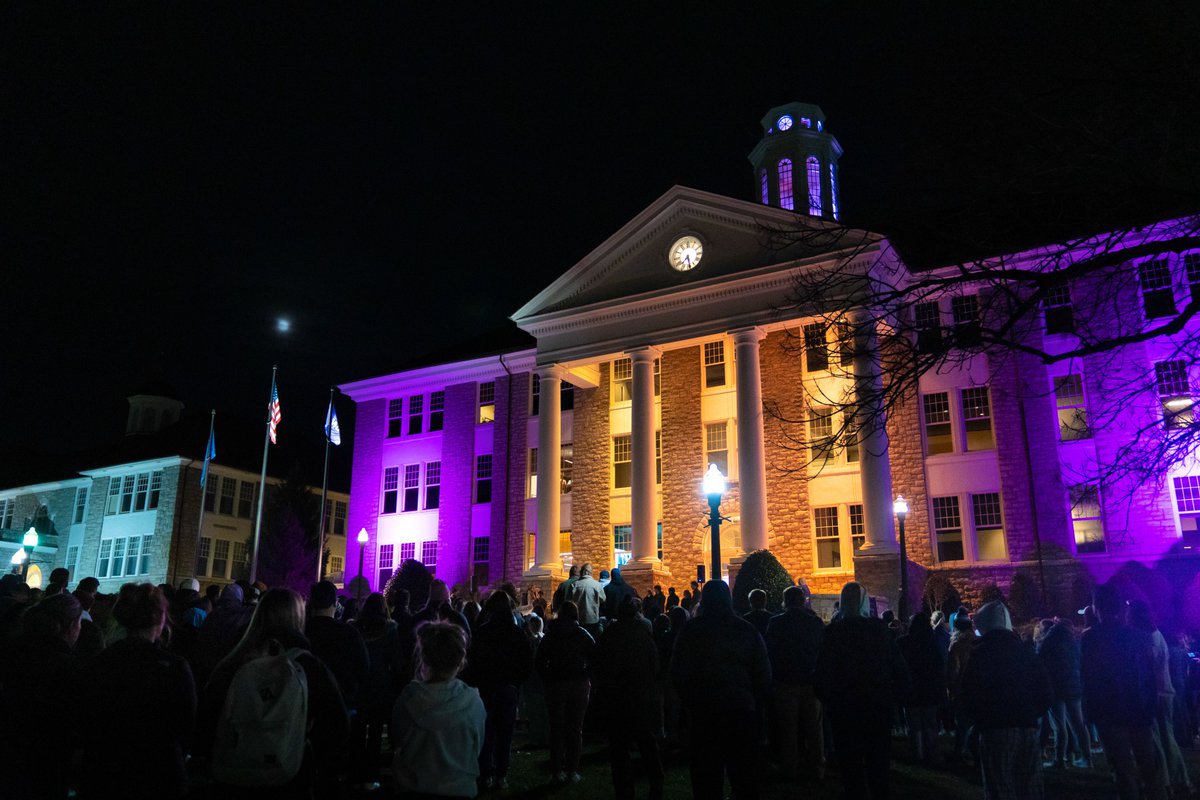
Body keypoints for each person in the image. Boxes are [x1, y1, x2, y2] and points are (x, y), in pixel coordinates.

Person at [197, 587, 350, 798]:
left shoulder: (233, 661)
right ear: (299, 617)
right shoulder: (308, 666)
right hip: (291, 771)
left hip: (235, 773)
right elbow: (337, 724)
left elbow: (206, 717)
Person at [79, 583, 196, 800]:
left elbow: (84, 717)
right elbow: (186, 723)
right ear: (161, 617)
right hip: (159, 772)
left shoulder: (100, 662)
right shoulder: (173, 667)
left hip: (104, 771)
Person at [672, 580, 771, 800]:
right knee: (744, 777)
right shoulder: (746, 630)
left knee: (706, 778)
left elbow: (678, 672)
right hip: (741, 712)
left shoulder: (691, 631)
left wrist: (690, 702)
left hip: (705, 713)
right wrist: (754, 703)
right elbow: (763, 674)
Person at [814, 581, 910, 800]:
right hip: (877, 709)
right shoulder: (879, 631)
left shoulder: (833, 633)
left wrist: (830, 699)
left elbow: (822, 673)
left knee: (851, 771)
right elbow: (899, 668)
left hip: (845, 712)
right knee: (878, 768)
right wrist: (894, 699)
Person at [1081, 584, 1166, 800]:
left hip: (1110, 714)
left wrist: (1091, 712)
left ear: (1097, 607)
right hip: (1139, 710)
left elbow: (1089, 678)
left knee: (1123, 771)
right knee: (1150, 768)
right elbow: (1149, 676)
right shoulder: (1139, 637)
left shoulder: (1091, 639)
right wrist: (1151, 707)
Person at [961, 601, 1053, 800]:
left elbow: (969, 693)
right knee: (1030, 787)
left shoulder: (981, 653)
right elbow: (1045, 691)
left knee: (1000, 787)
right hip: (1028, 728)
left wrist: (981, 719)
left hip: (996, 729)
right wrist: (1030, 713)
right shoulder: (1025, 651)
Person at [0, 592, 82, 800]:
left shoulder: (11, 653)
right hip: (42, 765)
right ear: (70, 625)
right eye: (80, 623)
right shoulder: (67, 668)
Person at [392, 621, 486, 798]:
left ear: (425, 658)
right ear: (460, 660)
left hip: (414, 786)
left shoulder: (409, 698)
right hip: (460, 788)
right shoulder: (473, 702)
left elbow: (398, 739)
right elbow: (477, 744)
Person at [595, 597, 664, 800]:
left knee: (619, 749)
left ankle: (624, 792)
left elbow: (600, 665)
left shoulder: (609, 635)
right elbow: (655, 666)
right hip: (640, 696)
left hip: (617, 699)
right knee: (647, 745)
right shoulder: (644, 636)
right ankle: (656, 785)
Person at [464, 590, 534, 790]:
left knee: (487, 731)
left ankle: (486, 773)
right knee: (505, 733)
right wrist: (516, 681)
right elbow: (527, 662)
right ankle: (501, 774)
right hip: (507, 687)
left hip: (487, 687)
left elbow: (473, 660)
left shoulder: (483, 631)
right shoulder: (516, 633)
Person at [1129, 599, 1191, 794]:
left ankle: (1169, 782)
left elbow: (1150, 671)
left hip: (1157, 694)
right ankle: (1178, 780)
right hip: (1164, 692)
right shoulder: (1156, 635)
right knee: (1166, 738)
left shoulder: (1147, 639)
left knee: (1159, 740)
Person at [765, 584, 825, 780]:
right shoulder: (815, 622)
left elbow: (771, 651)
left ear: (785, 601)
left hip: (785, 681)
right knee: (814, 728)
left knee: (788, 727)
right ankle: (817, 767)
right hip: (810, 680)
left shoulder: (776, 623)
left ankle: (789, 767)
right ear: (802, 600)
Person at [352, 591, 409, 789]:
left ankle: (356, 773)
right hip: (380, 685)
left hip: (359, 684)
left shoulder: (355, 628)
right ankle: (371, 775)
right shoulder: (390, 629)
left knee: (358, 729)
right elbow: (396, 661)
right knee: (375, 732)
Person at [537, 600, 596, 783]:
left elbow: (540, 660)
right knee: (575, 729)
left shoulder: (551, 635)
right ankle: (571, 771)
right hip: (578, 684)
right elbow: (595, 657)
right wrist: (586, 674)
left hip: (556, 684)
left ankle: (557, 771)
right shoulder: (582, 634)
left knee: (557, 728)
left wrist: (548, 677)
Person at [305, 580, 370, 715]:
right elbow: (363, 667)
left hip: (307, 702)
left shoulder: (301, 630)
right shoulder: (349, 633)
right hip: (342, 702)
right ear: (335, 603)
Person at [1036, 617, 1090, 769]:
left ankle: (1060, 759)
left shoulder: (1048, 642)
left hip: (1056, 688)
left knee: (1060, 726)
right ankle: (1087, 757)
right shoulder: (1073, 642)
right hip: (1074, 686)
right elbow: (1080, 662)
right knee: (1079, 723)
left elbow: (1040, 663)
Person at [898, 611, 947, 765]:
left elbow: (899, 666)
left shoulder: (903, 643)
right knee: (930, 724)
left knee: (914, 725)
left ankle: (917, 753)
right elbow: (939, 666)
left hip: (911, 689)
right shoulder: (932, 643)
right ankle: (932, 754)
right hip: (929, 690)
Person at [946, 610, 978, 764]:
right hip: (977, 687)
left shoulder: (956, 645)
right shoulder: (978, 642)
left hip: (961, 688)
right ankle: (974, 752)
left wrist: (951, 688)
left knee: (962, 724)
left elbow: (954, 670)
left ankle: (960, 752)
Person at [567, 562, 606, 637]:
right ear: (589, 572)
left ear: (584, 572)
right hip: (593, 620)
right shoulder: (597, 585)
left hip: (579, 621)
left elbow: (569, 602)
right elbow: (603, 599)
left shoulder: (574, 585)